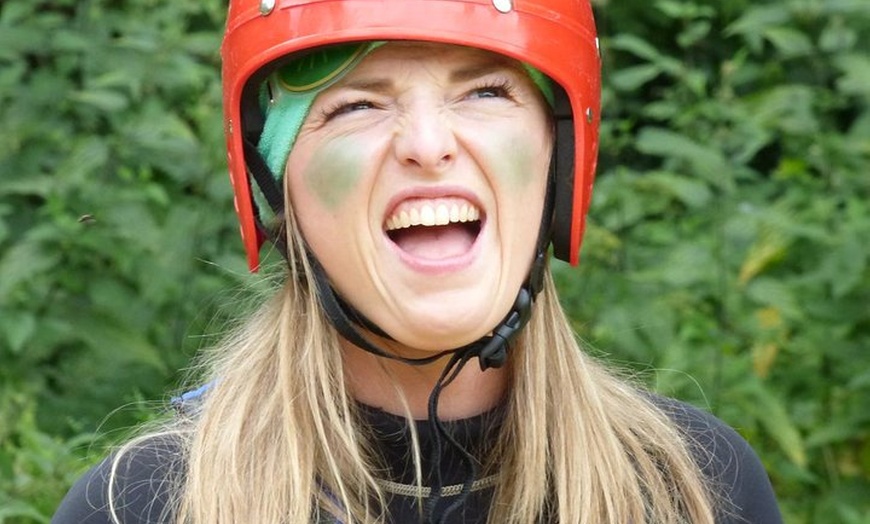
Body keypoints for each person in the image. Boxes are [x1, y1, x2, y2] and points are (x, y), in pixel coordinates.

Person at [52, 0, 783, 522]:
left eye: (486, 91)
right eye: (357, 105)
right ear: (280, 190)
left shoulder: (690, 488)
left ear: (558, 161)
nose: (428, 143)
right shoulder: (141, 507)